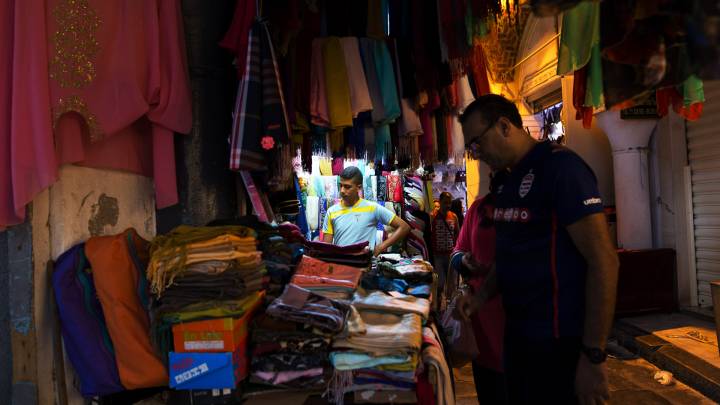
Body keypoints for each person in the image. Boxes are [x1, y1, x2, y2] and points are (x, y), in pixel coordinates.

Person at [456, 94, 619, 405]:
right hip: (518, 340)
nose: (476, 155)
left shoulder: (561, 169)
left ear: (504, 126)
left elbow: (604, 262)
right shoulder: (504, 183)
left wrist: (593, 356)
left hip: (560, 344)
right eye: (471, 148)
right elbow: (508, 257)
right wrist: (479, 298)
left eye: (477, 144)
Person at [450, 172, 506, 404]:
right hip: (482, 320)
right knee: (489, 390)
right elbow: (457, 251)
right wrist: (464, 260)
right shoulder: (478, 209)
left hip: (521, 318)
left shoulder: (531, 209)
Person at [322, 166, 411, 256]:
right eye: (340, 185)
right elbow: (326, 248)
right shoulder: (331, 212)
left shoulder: (372, 208)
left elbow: (404, 227)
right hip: (341, 266)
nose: (342, 190)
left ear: (359, 188)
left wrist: (380, 247)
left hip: (365, 266)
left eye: (347, 187)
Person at [431, 192, 460, 307]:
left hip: (450, 255)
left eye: (449, 203)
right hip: (438, 255)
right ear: (440, 202)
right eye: (445, 203)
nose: (448, 205)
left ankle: (450, 307)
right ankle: (438, 305)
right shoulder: (433, 215)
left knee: (452, 284)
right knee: (440, 282)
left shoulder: (454, 217)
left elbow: (458, 233)